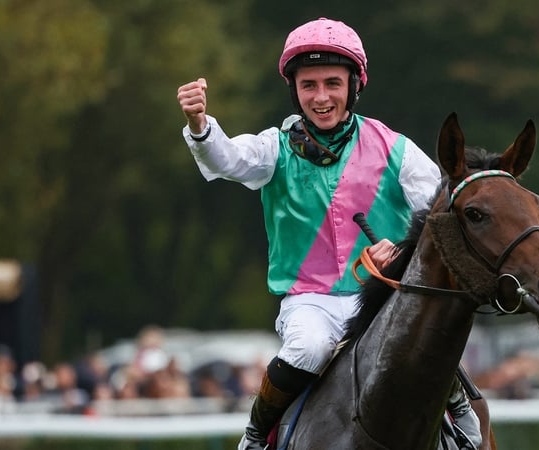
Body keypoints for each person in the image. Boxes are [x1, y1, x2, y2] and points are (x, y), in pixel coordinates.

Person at [177, 17, 483, 450]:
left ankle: (464, 415)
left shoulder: (394, 147)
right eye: (309, 85)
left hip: (383, 293)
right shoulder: (274, 146)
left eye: (332, 84)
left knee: (421, 337)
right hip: (311, 301)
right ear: (295, 91)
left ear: (354, 86)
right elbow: (227, 158)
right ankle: (253, 437)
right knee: (308, 349)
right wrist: (200, 125)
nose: (321, 97)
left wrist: (399, 251)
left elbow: (439, 217)